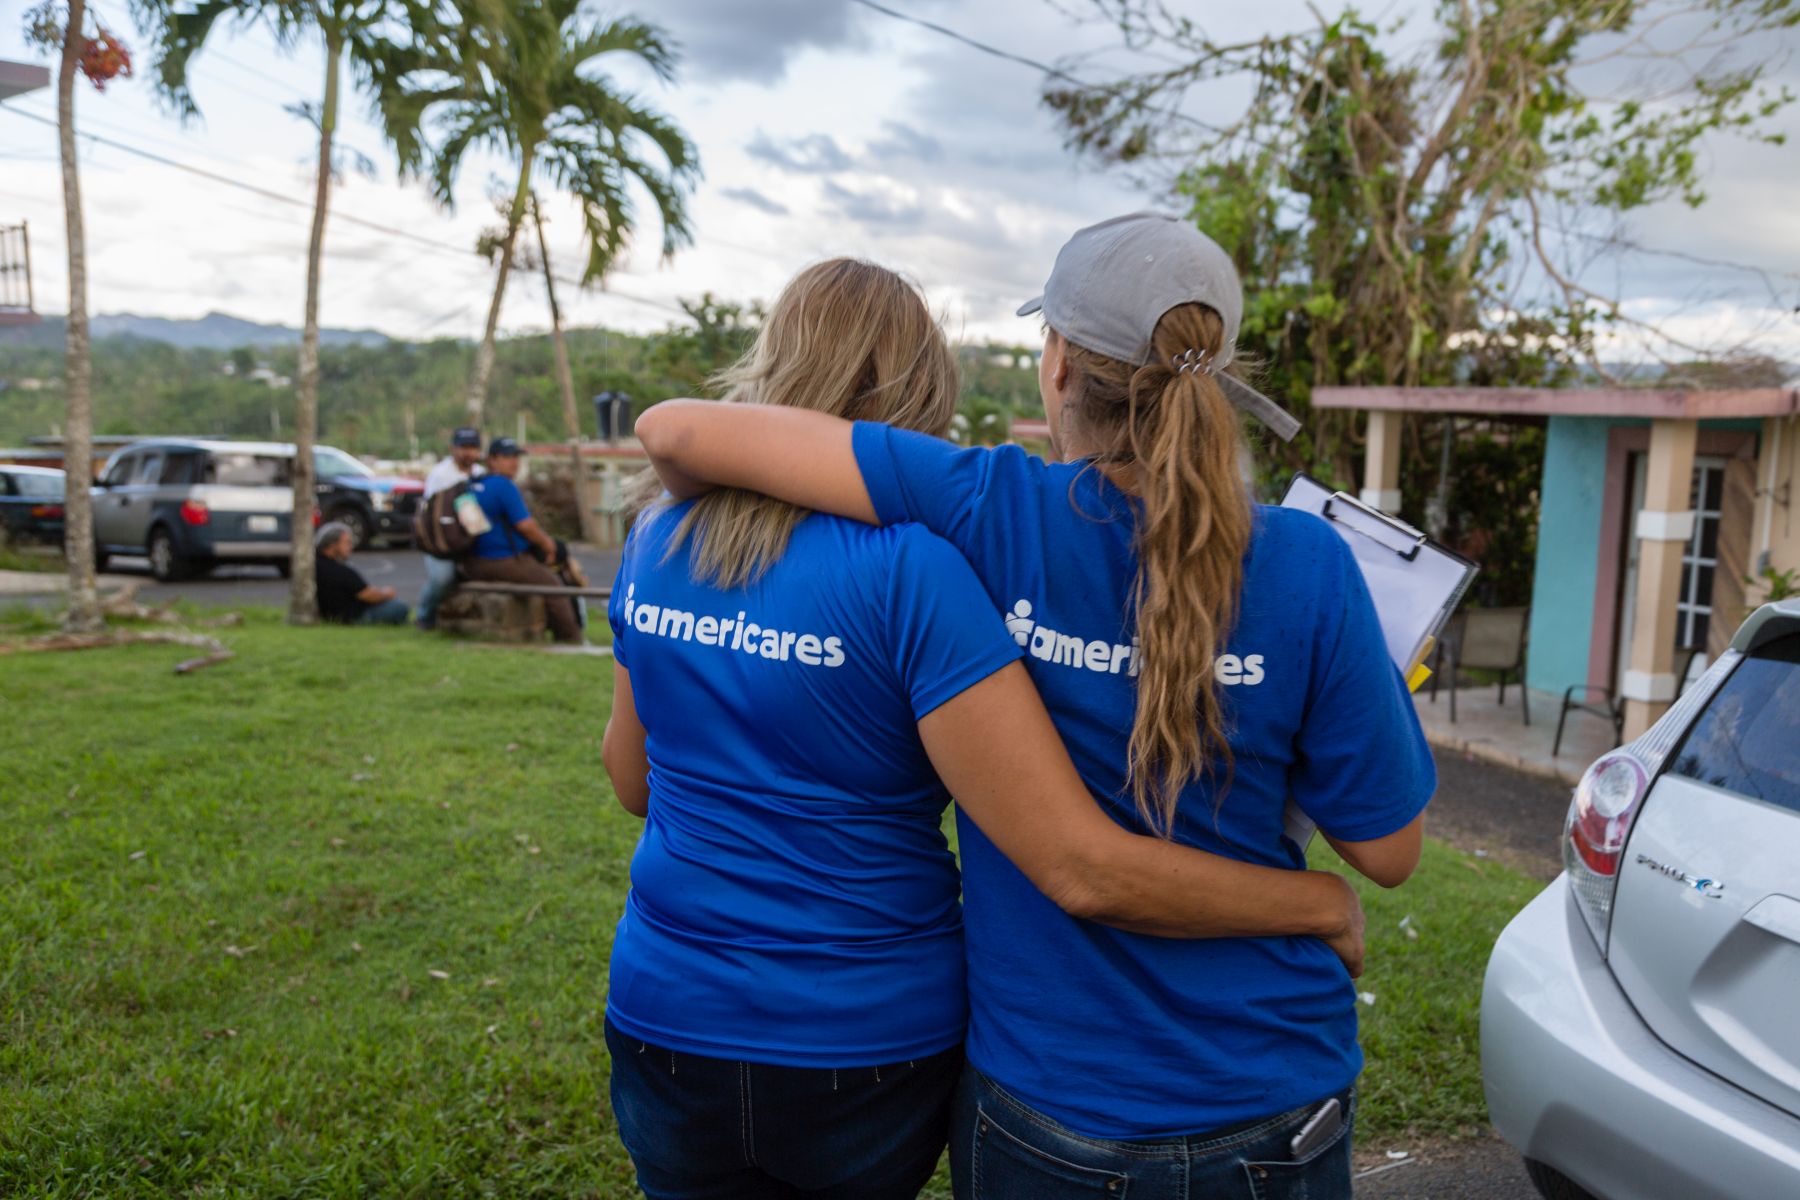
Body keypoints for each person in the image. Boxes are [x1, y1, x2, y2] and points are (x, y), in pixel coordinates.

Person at [633, 215, 1437, 1199]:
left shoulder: (987, 508)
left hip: (1047, 1103)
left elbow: (675, 429)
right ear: (1220, 377)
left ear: (1058, 368)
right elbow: (1389, 850)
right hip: (1269, 1092)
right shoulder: (1313, 566)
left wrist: (673, 532)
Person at [462, 437, 581, 643]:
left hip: (473, 561)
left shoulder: (475, 485)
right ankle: (571, 637)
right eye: (507, 457)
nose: (514, 462)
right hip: (501, 560)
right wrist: (549, 545)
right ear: (492, 460)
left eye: (516, 456)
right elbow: (525, 525)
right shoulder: (503, 485)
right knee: (552, 584)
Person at [414, 426, 483, 630]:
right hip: (441, 541)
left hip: (472, 537)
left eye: (472, 447)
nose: (467, 453)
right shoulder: (441, 475)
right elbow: (431, 516)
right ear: (453, 449)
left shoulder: (480, 473)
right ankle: (424, 617)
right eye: (463, 447)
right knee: (443, 578)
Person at [314, 521, 408, 625]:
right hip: (354, 616)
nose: (350, 547)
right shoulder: (339, 570)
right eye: (347, 542)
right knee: (399, 607)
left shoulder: (317, 565)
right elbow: (368, 595)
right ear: (332, 544)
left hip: (332, 615)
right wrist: (386, 593)